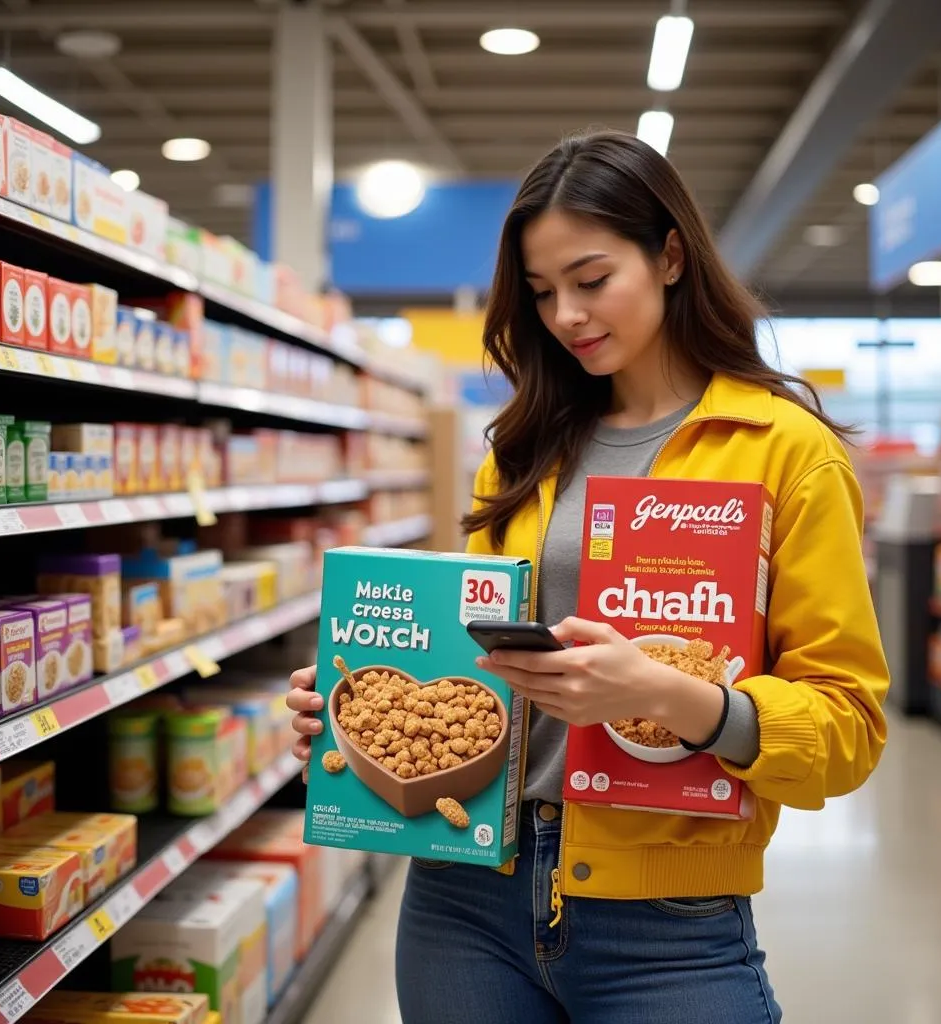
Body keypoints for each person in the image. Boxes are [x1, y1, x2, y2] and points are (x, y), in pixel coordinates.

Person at [288, 130, 889, 1024]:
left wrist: (675, 697)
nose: (566, 314)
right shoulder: (524, 451)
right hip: (465, 898)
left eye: (591, 279)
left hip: (668, 921)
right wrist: (372, 702)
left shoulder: (784, 453)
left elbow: (849, 726)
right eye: (541, 293)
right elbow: (485, 662)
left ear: (671, 255)